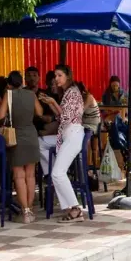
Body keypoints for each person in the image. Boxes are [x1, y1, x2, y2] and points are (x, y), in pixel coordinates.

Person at [0, 71, 44, 223]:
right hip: (31, 135)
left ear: (9, 84)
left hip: (15, 137)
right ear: (22, 81)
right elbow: (40, 112)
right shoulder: (31, 94)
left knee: (19, 175)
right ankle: (30, 210)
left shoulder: (8, 95)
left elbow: (0, 116)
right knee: (30, 175)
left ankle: (24, 212)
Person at [50, 66, 87, 222]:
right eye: (55, 76)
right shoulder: (68, 92)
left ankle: (75, 210)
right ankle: (70, 208)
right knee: (56, 173)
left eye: (60, 75)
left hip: (73, 134)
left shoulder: (72, 92)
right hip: (69, 134)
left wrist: (52, 102)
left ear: (68, 76)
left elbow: (65, 117)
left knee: (57, 173)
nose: (57, 78)